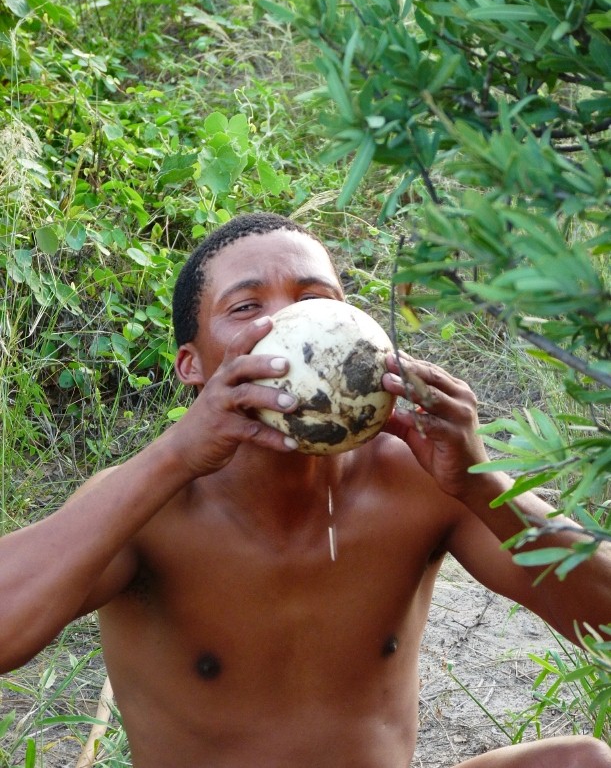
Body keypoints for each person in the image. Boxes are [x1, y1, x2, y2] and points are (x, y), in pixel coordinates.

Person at [1, 212, 610, 768]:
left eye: (315, 299)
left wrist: (479, 482)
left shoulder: (419, 480)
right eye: (246, 307)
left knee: (582, 763)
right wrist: (174, 457)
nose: (291, 325)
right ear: (193, 365)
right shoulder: (147, 504)